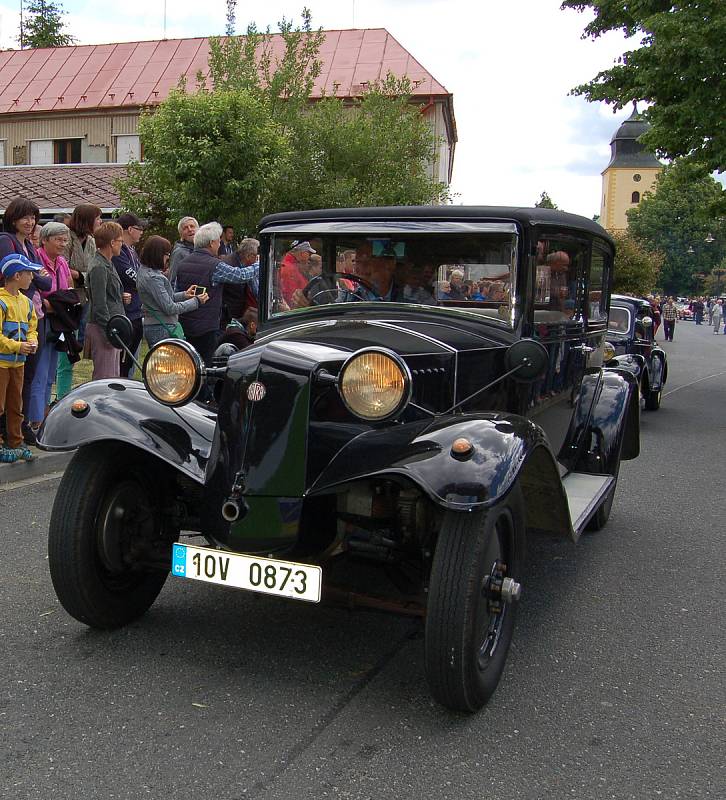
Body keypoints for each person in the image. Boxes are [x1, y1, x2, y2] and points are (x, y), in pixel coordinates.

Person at [174, 222, 259, 365]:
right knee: (205, 367)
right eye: (219, 241)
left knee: (188, 364)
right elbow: (239, 275)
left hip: (185, 322)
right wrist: (259, 265)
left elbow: (178, 291)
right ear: (212, 243)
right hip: (207, 325)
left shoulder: (184, 263)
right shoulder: (214, 265)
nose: (220, 245)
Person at [26, 222, 72, 444]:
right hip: (41, 319)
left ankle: (44, 416)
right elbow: (39, 291)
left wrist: (59, 302)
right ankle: (35, 419)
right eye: (58, 239)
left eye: (65, 239)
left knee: (51, 372)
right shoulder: (37, 259)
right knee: (40, 371)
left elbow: (66, 289)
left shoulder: (62, 262)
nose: (63, 244)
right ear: (45, 240)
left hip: (59, 321)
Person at [56, 203, 102, 398]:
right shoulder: (67, 237)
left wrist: (79, 275)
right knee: (66, 354)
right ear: (87, 220)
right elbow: (63, 267)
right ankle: (61, 396)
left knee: (80, 346)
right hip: (68, 302)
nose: (100, 222)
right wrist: (80, 275)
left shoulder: (91, 241)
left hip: (85, 300)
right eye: (97, 218)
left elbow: (91, 271)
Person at [0, 253, 39, 463]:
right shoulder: (1, 302)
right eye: (29, 274)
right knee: (0, 404)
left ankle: (16, 441)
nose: (32, 278)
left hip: (18, 363)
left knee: (16, 404)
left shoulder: (27, 302)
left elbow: (32, 327)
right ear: (16, 276)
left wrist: (32, 342)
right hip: (2, 363)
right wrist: (17, 345)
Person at [136, 235, 207, 348]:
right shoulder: (153, 278)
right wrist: (196, 301)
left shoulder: (145, 271)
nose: (168, 258)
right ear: (158, 254)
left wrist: (184, 295)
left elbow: (163, 299)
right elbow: (170, 308)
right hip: (161, 328)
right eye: (167, 254)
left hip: (158, 326)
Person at [85, 221, 127, 380]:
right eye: (120, 241)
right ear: (112, 242)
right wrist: (109, 332)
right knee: (104, 376)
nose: (121, 245)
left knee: (113, 375)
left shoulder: (107, 263)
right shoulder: (99, 267)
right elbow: (99, 305)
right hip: (103, 328)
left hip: (112, 325)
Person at [112, 213, 145, 376]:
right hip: (126, 314)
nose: (142, 232)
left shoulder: (131, 250)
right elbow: (131, 275)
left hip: (136, 311)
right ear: (130, 229)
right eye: (140, 229)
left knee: (130, 361)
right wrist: (145, 284)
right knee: (122, 364)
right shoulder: (120, 252)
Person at [221, 237, 259, 327]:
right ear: (249, 256)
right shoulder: (230, 266)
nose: (257, 260)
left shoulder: (239, 261)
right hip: (228, 317)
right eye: (256, 256)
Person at [279, 241, 315, 306]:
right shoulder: (290, 269)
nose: (309, 258)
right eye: (309, 254)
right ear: (303, 254)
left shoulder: (291, 265)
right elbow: (290, 296)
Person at [168, 216, 198, 287]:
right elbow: (173, 279)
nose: (190, 230)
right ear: (181, 234)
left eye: (192, 226)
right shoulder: (179, 252)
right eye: (185, 228)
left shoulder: (202, 249)